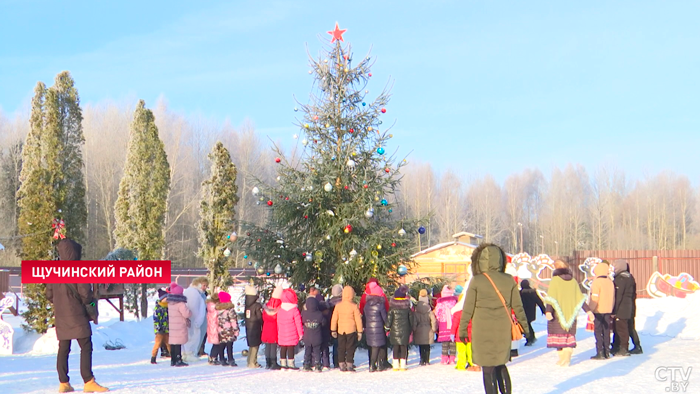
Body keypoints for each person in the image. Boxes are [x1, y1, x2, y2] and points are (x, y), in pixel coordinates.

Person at [459, 243, 530, 394]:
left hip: (481, 330)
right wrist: (525, 327)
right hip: (502, 329)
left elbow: (468, 308)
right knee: (500, 363)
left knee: (487, 367)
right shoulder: (509, 280)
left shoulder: (477, 280)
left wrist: (463, 329)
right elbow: (518, 307)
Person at [46, 239, 109, 393]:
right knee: (86, 346)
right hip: (78, 315)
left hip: (61, 316)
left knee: (64, 348)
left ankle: (64, 382)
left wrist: (61, 304)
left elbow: (49, 294)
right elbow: (85, 295)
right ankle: (88, 381)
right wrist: (91, 303)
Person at [543, 260, 593, 367]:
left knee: (559, 337)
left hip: (557, 315)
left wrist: (548, 311)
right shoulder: (573, 281)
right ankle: (567, 358)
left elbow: (551, 298)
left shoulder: (555, 281)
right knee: (568, 337)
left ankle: (563, 359)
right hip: (571, 315)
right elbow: (580, 298)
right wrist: (588, 310)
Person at [330, 285, 363, 372]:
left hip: (341, 330)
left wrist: (333, 329)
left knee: (341, 347)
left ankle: (341, 364)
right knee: (350, 347)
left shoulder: (338, 305)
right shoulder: (354, 306)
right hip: (351, 330)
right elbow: (358, 320)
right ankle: (349, 363)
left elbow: (334, 319)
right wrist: (360, 331)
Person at [589, 261, 615, 360]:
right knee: (607, 330)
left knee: (598, 331)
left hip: (598, 310)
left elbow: (594, 298)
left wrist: (590, 309)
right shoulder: (610, 281)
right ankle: (607, 351)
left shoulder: (597, 282)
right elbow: (613, 297)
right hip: (608, 309)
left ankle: (600, 352)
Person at [611, 259, 636, 357]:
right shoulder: (629, 277)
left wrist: (614, 309)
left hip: (621, 307)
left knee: (621, 329)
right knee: (622, 328)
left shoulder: (621, 279)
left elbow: (618, 295)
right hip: (628, 305)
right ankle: (618, 346)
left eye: (615, 266)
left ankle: (623, 348)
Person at [387, 285, 414, 371]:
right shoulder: (407, 308)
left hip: (394, 331)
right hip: (405, 330)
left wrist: (387, 328)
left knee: (395, 347)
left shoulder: (392, 309)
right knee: (403, 347)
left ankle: (395, 365)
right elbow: (411, 320)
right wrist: (411, 329)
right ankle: (403, 365)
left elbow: (389, 320)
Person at [363, 282, 388, 372]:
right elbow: (384, 317)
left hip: (370, 328)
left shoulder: (367, 305)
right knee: (378, 346)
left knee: (375, 346)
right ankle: (374, 365)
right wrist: (388, 325)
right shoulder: (380, 305)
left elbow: (365, 317)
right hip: (379, 327)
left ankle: (375, 364)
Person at [183, 277, 209, 361]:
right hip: (194, 321)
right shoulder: (194, 293)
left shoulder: (194, 292)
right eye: (204, 285)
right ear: (198, 284)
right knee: (193, 336)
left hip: (191, 320)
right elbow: (197, 309)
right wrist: (199, 320)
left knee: (190, 336)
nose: (205, 288)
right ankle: (190, 353)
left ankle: (186, 352)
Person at [277, 288, 303, 370]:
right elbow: (298, 323)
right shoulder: (294, 310)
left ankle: (283, 363)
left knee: (283, 348)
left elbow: (278, 322)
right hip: (292, 333)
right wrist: (300, 333)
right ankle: (291, 363)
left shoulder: (280, 310)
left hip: (282, 333)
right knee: (290, 348)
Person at [167, 282, 192, 367]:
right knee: (178, 343)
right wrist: (190, 312)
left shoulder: (170, 304)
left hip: (172, 326)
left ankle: (173, 360)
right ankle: (178, 359)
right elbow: (186, 314)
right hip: (180, 326)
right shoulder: (181, 304)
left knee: (173, 343)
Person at [413, 289, 438, 366]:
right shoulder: (429, 310)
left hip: (419, 329)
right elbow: (433, 320)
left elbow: (414, 321)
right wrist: (434, 329)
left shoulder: (416, 310)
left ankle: (422, 360)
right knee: (427, 345)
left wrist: (414, 329)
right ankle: (427, 360)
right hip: (428, 328)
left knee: (421, 346)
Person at [435, 285, 458, 364]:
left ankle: (444, 358)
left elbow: (437, 313)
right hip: (453, 322)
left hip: (443, 323)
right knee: (452, 341)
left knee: (444, 341)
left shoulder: (440, 302)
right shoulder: (454, 301)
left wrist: (438, 319)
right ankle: (452, 358)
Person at [261, 286, 283, 370]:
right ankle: (274, 362)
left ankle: (268, 362)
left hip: (266, 327)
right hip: (274, 327)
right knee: (273, 345)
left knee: (268, 345)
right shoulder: (279, 305)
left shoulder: (268, 304)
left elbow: (263, 317)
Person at [302, 296, 325, 372]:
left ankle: (306, 364)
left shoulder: (304, 314)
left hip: (307, 337)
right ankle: (318, 365)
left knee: (307, 351)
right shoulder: (319, 314)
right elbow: (324, 323)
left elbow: (301, 322)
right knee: (317, 351)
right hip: (317, 337)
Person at [216, 291, 239, 366]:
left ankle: (222, 359)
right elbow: (233, 321)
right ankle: (230, 359)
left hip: (220, 330)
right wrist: (236, 330)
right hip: (229, 330)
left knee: (222, 345)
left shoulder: (218, 310)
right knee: (229, 346)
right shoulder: (230, 310)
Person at [519, 280, 545, 346]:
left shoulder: (520, 293)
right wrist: (544, 310)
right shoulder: (533, 292)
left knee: (526, 325)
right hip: (531, 312)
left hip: (523, 312)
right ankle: (531, 338)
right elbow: (539, 302)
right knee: (528, 324)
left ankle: (530, 339)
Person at [245, 285, 264, 368]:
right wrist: (263, 324)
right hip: (256, 327)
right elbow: (260, 317)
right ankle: (253, 362)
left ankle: (249, 360)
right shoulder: (257, 305)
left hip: (248, 327)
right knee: (255, 345)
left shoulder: (247, 305)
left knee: (251, 345)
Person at [151, 288, 171, 364]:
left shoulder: (167, 307)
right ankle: (153, 357)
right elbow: (156, 320)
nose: (166, 299)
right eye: (165, 298)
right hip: (159, 330)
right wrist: (159, 327)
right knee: (157, 344)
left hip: (166, 329)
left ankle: (173, 356)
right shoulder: (158, 308)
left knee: (169, 343)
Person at [327, 284, 344, 368]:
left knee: (335, 344)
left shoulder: (329, 303)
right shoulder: (343, 302)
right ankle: (342, 361)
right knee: (342, 344)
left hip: (332, 326)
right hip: (341, 324)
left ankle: (335, 361)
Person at [205, 293, 222, 365]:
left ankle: (212, 357)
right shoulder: (216, 309)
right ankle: (214, 357)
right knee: (217, 344)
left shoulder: (209, 307)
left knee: (216, 343)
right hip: (216, 327)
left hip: (211, 328)